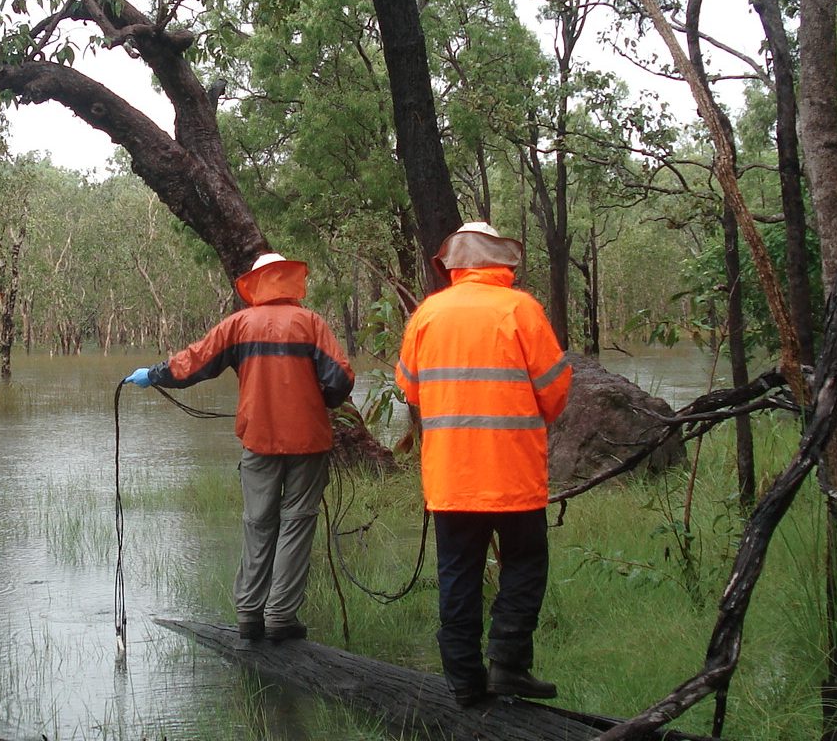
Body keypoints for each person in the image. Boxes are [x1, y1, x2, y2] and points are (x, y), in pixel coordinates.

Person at [124, 252, 355, 648]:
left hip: (259, 440)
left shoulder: (239, 325)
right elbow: (341, 378)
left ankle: (249, 615)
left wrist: (154, 374)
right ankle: (281, 616)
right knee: (297, 522)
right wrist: (321, 402)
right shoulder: (312, 324)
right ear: (289, 281)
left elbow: (193, 364)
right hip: (308, 440)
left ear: (257, 284)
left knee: (257, 522)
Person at [394, 222, 572, 706]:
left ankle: (464, 681)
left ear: (453, 262)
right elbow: (555, 390)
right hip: (513, 474)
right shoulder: (521, 309)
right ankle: (509, 665)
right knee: (525, 564)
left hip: (452, 478)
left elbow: (408, 387)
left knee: (457, 572)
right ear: (499, 259)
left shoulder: (428, 314)